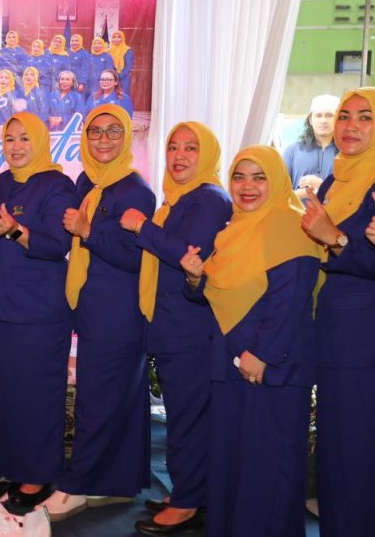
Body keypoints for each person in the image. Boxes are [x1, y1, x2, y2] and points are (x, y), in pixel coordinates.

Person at [180, 145, 322, 537]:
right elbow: (218, 290)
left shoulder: (290, 224)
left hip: (272, 369)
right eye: (239, 177)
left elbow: (291, 297)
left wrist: (262, 354)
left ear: (276, 180)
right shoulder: (233, 230)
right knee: (232, 463)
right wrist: (194, 278)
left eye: (259, 178)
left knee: (268, 469)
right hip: (231, 363)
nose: (247, 187)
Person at [40, 104, 156, 520]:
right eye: (95, 131)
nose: (104, 139)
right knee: (119, 396)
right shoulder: (88, 181)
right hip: (95, 306)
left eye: (113, 131)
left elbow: (135, 256)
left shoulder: (135, 190)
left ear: (126, 138)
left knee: (97, 398)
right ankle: (115, 481)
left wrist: (88, 231)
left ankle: (77, 485)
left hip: (119, 310)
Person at [118, 122, 232, 534]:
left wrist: (141, 227)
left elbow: (188, 255)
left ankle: (187, 502)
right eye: (173, 147)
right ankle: (190, 490)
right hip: (174, 325)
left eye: (191, 148)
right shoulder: (177, 199)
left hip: (191, 328)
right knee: (185, 415)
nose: (179, 156)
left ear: (208, 155)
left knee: (189, 418)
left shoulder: (210, 198)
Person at [0, 112, 77, 514]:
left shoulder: (57, 184)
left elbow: (58, 245)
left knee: (39, 395)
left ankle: (38, 476)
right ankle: (15, 468)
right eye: (10, 139)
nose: (16, 146)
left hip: (41, 311)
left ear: (39, 141)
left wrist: (17, 231)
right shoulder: (1, 184)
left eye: (25, 138)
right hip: (3, 309)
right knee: (9, 394)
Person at [301, 88, 375, 536]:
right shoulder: (335, 180)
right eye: (345, 116)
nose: (350, 126)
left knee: (354, 449)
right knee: (337, 446)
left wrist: (337, 239)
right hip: (331, 328)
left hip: (360, 339)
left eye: (365, 118)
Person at [283, 93, 340, 199]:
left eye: (329, 115)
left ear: (339, 119)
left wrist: (322, 185)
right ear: (310, 120)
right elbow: (278, 195)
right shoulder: (292, 151)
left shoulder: (348, 154)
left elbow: (353, 197)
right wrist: (303, 193)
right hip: (298, 209)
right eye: (318, 115)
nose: (323, 121)